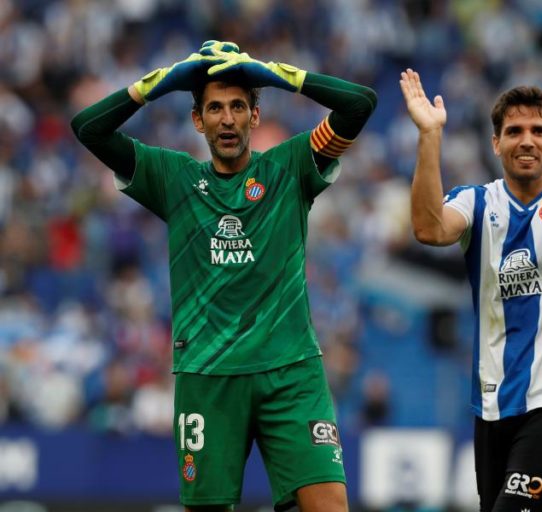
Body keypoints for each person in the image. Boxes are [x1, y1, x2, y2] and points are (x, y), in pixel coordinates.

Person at [71, 40, 377, 512]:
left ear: (255, 116)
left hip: (290, 371)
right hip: (207, 376)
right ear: (198, 120)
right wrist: (160, 82)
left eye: (238, 106)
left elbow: (359, 104)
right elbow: (88, 128)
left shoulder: (291, 167)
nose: (227, 119)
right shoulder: (171, 178)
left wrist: (274, 73)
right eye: (214, 108)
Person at [400, 55, 542, 511]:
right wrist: (430, 135)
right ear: (496, 143)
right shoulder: (477, 202)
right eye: (514, 132)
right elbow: (429, 228)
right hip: (491, 406)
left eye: (539, 131)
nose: (527, 141)